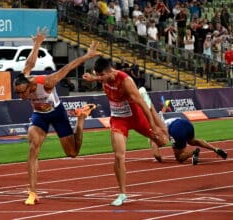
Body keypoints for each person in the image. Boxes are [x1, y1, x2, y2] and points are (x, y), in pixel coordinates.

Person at [13, 28, 101, 205]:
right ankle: (32, 192)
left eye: (22, 93)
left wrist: (88, 56)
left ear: (30, 87)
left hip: (57, 113)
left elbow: (68, 67)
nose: (21, 97)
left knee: (72, 153)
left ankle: (81, 118)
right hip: (40, 116)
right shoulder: (24, 78)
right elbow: (30, 63)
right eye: (18, 94)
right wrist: (37, 43)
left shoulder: (47, 82)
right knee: (33, 148)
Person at [82, 57, 169, 206]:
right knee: (118, 156)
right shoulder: (104, 77)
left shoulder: (126, 81)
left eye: (102, 76)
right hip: (118, 119)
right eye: (98, 76)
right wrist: (93, 78)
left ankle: (151, 105)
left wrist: (153, 125)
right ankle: (122, 194)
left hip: (136, 117)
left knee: (163, 141)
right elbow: (101, 77)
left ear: (110, 71)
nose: (100, 79)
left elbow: (140, 105)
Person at [152, 103, 228, 165]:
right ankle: (215, 149)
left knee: (179, 158)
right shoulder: (162, 119)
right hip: (186, 123)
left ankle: (194, 152)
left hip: (175, 129)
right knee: (193, 141)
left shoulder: (153, 133)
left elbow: (157, 155)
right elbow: (163, 109)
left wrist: (160, 160)